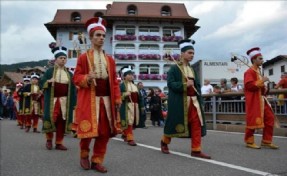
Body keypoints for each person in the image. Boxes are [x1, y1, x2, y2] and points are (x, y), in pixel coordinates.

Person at [73, 17, 122, 173]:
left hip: (106, 100)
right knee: (88, 130)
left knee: (105, 132)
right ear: (90, 37)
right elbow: (76, 78)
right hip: (89, 99)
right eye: (97, 35)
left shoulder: (110, 60)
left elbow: (114, 80)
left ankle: (97, 160)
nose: (101, 38)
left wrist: (117, 97)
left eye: (103, 36)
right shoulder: (83, 57)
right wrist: (87, 77)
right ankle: (84, 155)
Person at [160, 39, 211, 159]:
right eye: (189, 52)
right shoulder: (174, 69)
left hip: (194, 101)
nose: (192, 55)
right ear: (182, 53)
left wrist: (200, 100)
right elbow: (171, 84)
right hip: (179, 102)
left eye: (193, 53)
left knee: (197, 123)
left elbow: (197, 86)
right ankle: (164, 141)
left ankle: (196, 150)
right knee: (174, 123)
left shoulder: (192, 70)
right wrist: (184, 85)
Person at [40, 45, 77, 150]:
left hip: (65, 101)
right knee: (51, 119)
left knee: (62, 121)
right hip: (52, 100)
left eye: (65, 58)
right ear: (56, 59)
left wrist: (74, 103)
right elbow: (41, 81)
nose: (63, 60)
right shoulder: (49, 72)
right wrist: (47, 82)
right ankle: (49, 140)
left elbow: (73, 89)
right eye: (61, 58)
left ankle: (59, 142)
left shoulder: (69, 74)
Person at [244, 47, 278, 149]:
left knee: (270, 119)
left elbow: (259, 87)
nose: (262, 60)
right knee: (253, 120)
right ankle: (249, 141)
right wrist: (262, 81)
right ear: (254, 59)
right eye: (260, 58)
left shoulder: (258, 71)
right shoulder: (249, 72)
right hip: (254, 101)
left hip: (262, 100)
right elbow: (249, 86)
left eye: (262, 58)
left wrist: (265, 88)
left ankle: (266, 141)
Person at [119, 66, 144, 146]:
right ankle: (130, 139)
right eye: (129, 74)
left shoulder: (135, 86)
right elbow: (118, 96)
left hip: (135, 107)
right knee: (129, 122)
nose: (131, 76)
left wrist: (142, 106)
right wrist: (125, 94)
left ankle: (124, 133)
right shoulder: (122, 85)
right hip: (127, 106)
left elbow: (139, 98)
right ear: (124, 76)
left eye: (131, 74)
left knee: (132, 122)